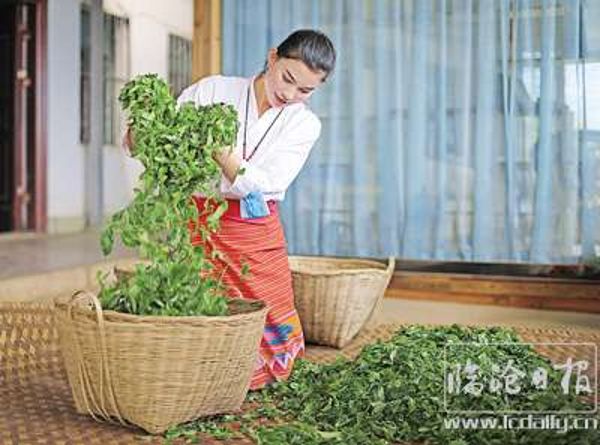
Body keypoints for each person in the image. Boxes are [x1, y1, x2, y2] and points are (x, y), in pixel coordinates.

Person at [127, 29, 335, 390]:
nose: (289, 94)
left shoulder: (305, 124)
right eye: (287, 78)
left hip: (253, 225)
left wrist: (223, 154)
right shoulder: (213, 90)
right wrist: (140, 134)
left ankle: (266, 373)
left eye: (305, 90)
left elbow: (267, 183)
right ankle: (212, 376)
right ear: (272, 58)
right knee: (200, 301)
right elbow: (161, 142)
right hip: (199, 220)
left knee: (268, 303)